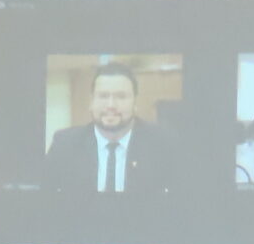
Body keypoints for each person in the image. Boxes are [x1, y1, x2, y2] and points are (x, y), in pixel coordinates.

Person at [44, 60, 177, 195]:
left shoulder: (163, 144)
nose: (111, 105)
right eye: (103, 96)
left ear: (135, 103)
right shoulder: (65, 145)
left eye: (121, 96)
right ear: (92, 102)